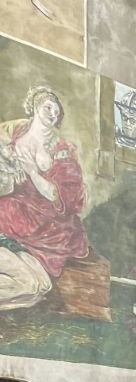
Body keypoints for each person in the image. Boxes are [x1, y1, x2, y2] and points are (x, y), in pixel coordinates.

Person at [0, 85, 88, 311]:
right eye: (48, 107)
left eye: (56, 112)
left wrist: (32, 171)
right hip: (10, 217)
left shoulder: (62, 150)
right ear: (35, 106)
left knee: (40, 288)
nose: (52, 114)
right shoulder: (13, 132)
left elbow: (61, 196)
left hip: (45, 227)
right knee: (32, 287)